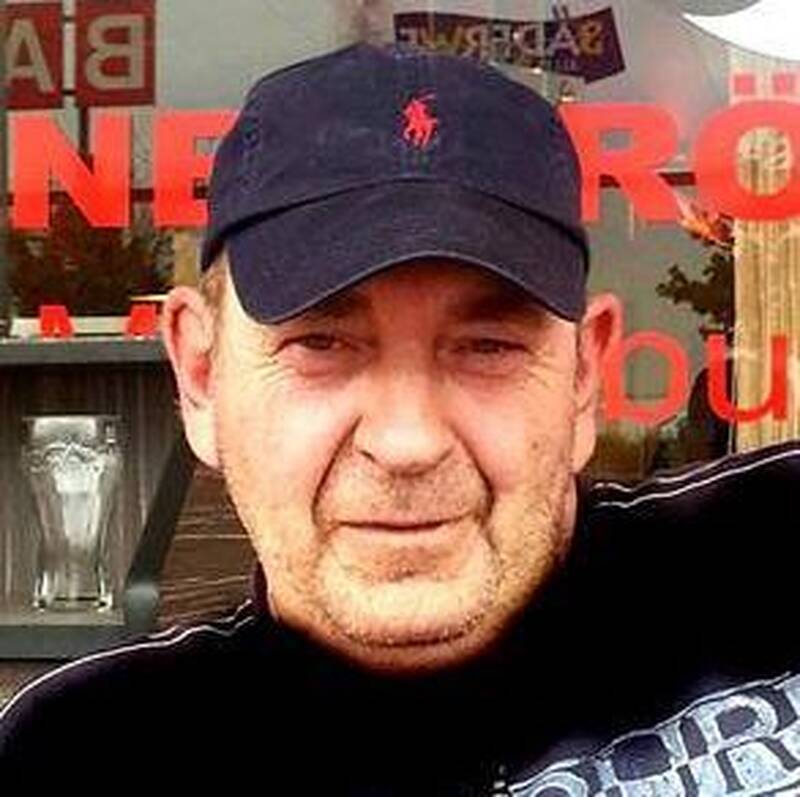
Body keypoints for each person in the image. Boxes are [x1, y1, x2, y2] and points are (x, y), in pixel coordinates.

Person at [2, 41, 800, 794]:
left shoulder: (768, 558)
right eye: (321, 343)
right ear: (202, 377)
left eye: (488, 345)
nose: (408, 441)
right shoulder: (83, 751)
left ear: (584, 377)